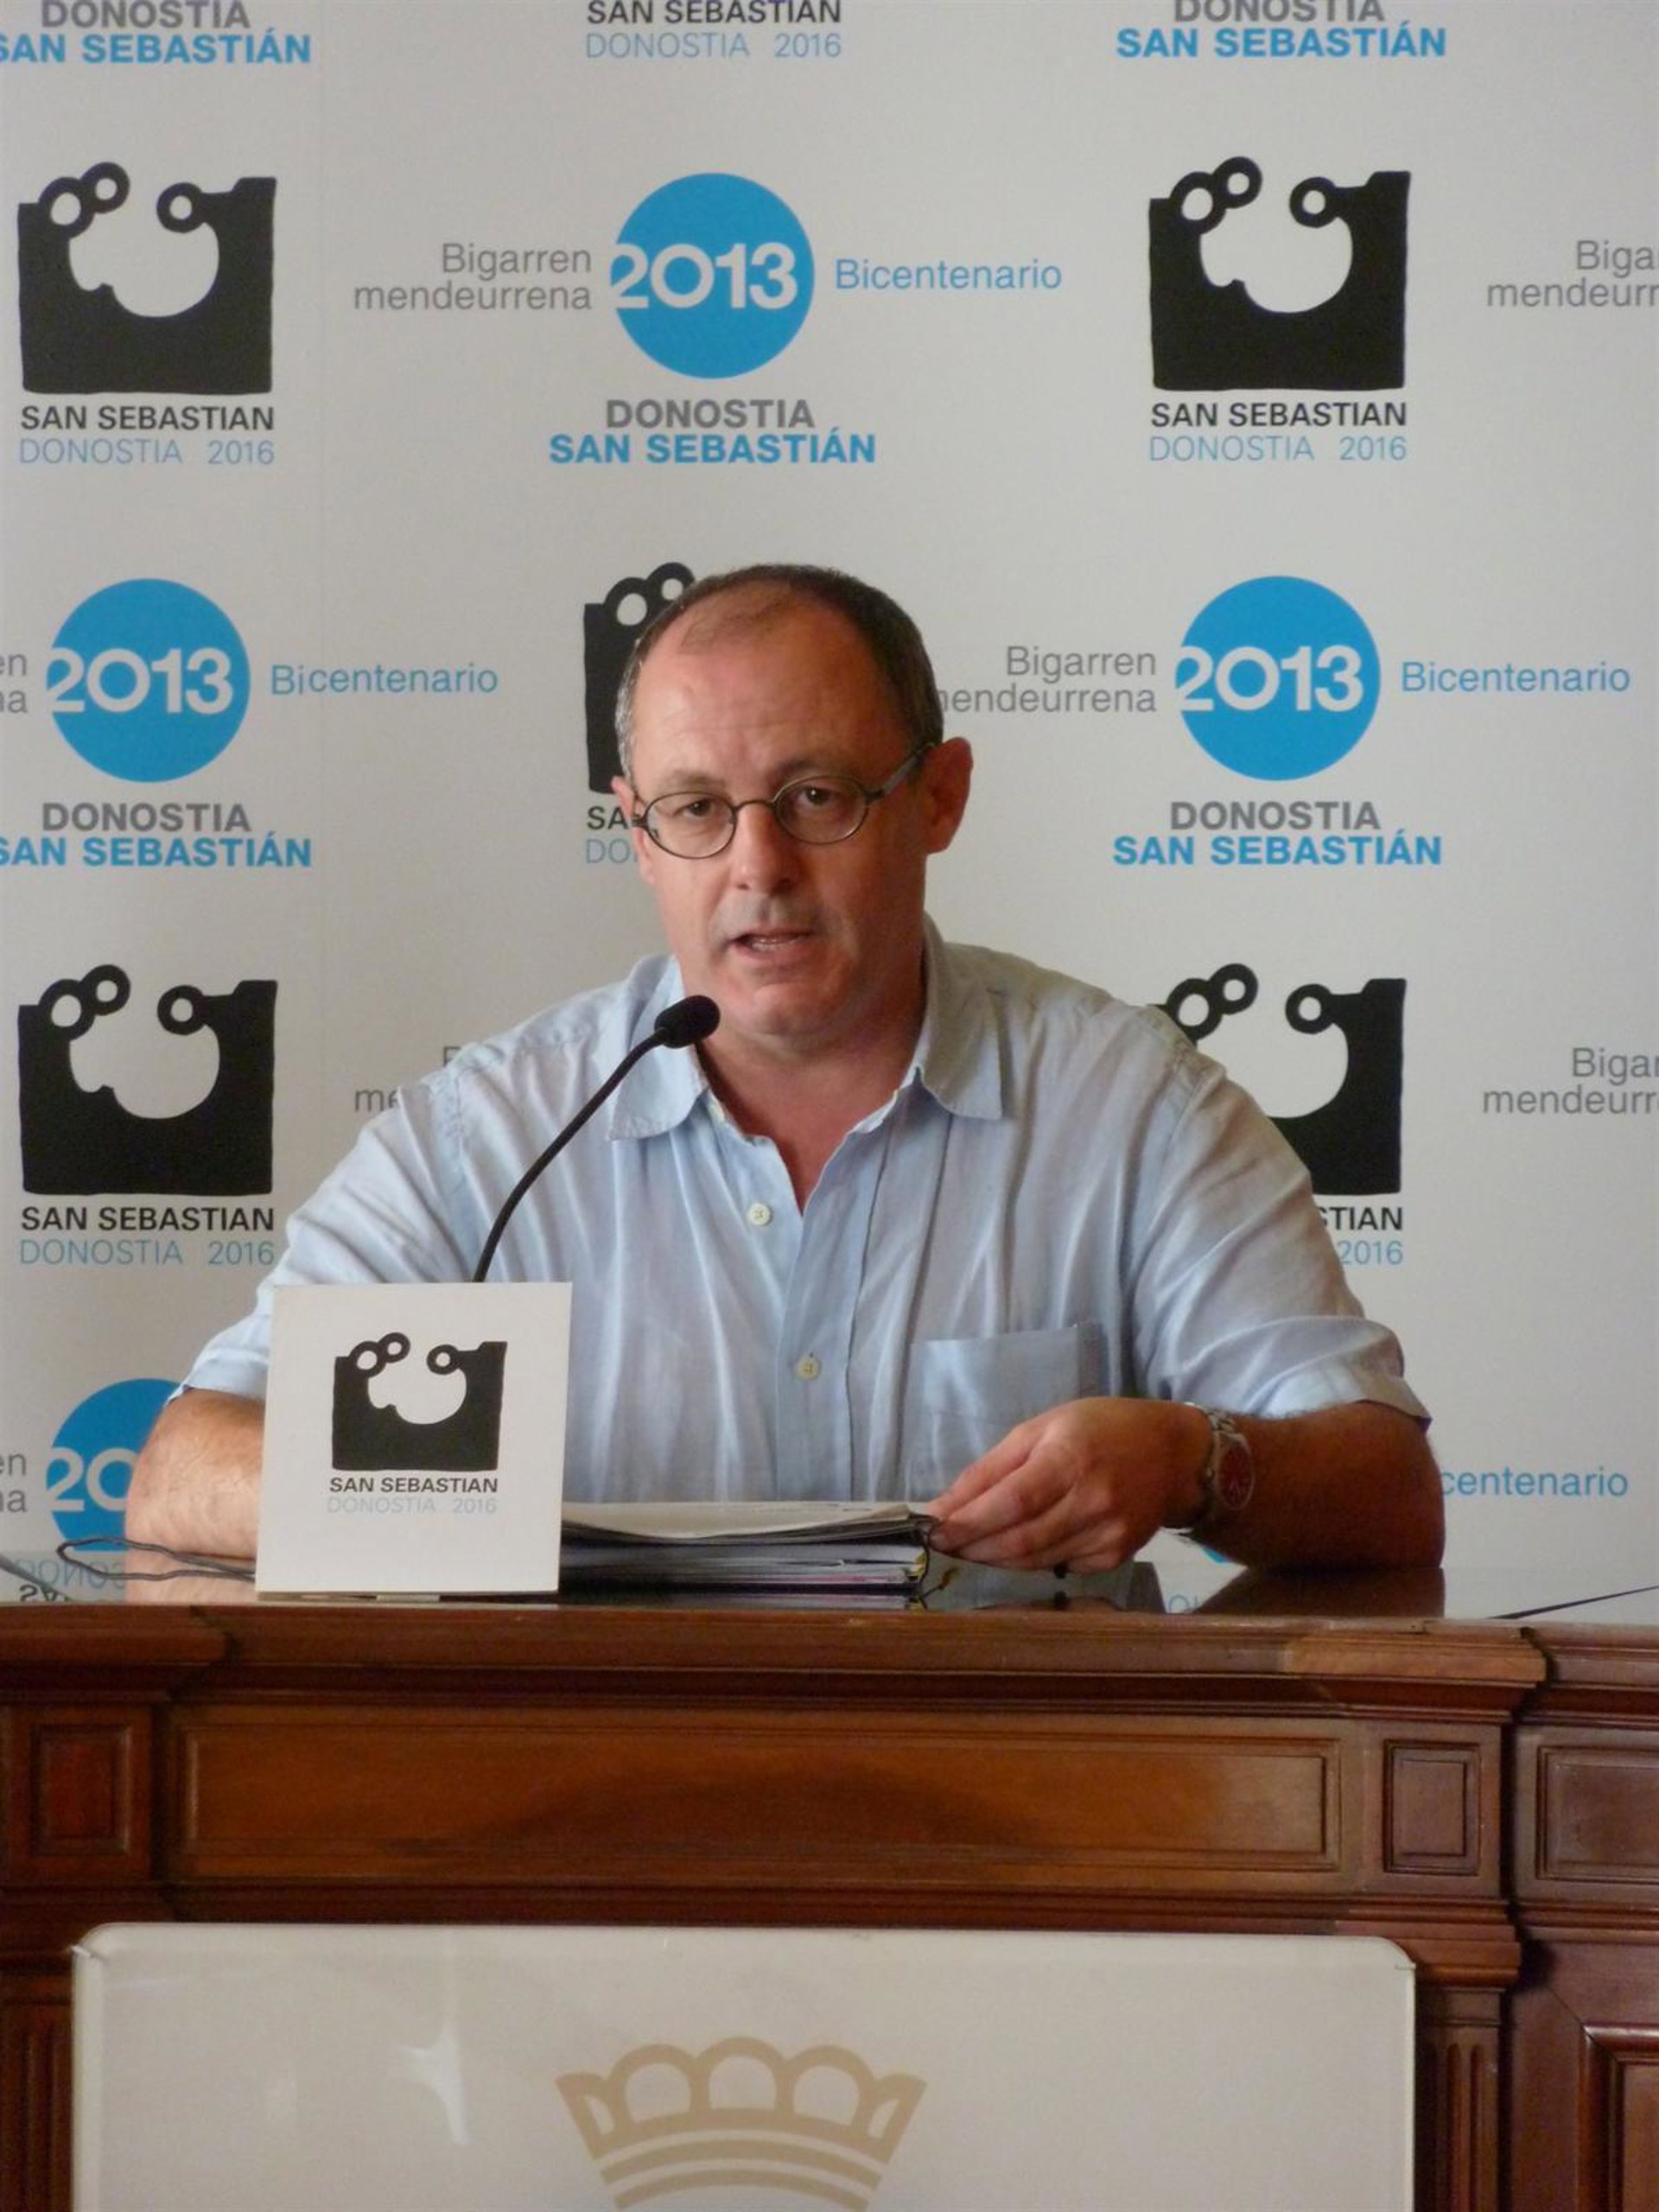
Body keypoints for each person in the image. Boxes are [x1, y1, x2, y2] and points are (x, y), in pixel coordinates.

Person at [127, 563, 1442, 1570]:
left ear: (939, 798)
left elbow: (1388, 1494)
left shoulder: (1130, 1106)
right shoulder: (495, 1135)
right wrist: (456, 1502)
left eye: (817, 797)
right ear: (638, 835)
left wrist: (1193, 1461)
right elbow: (184, 1470)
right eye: (697, 809)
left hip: (1018, 1795)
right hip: (585, 1792)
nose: (759, 869)